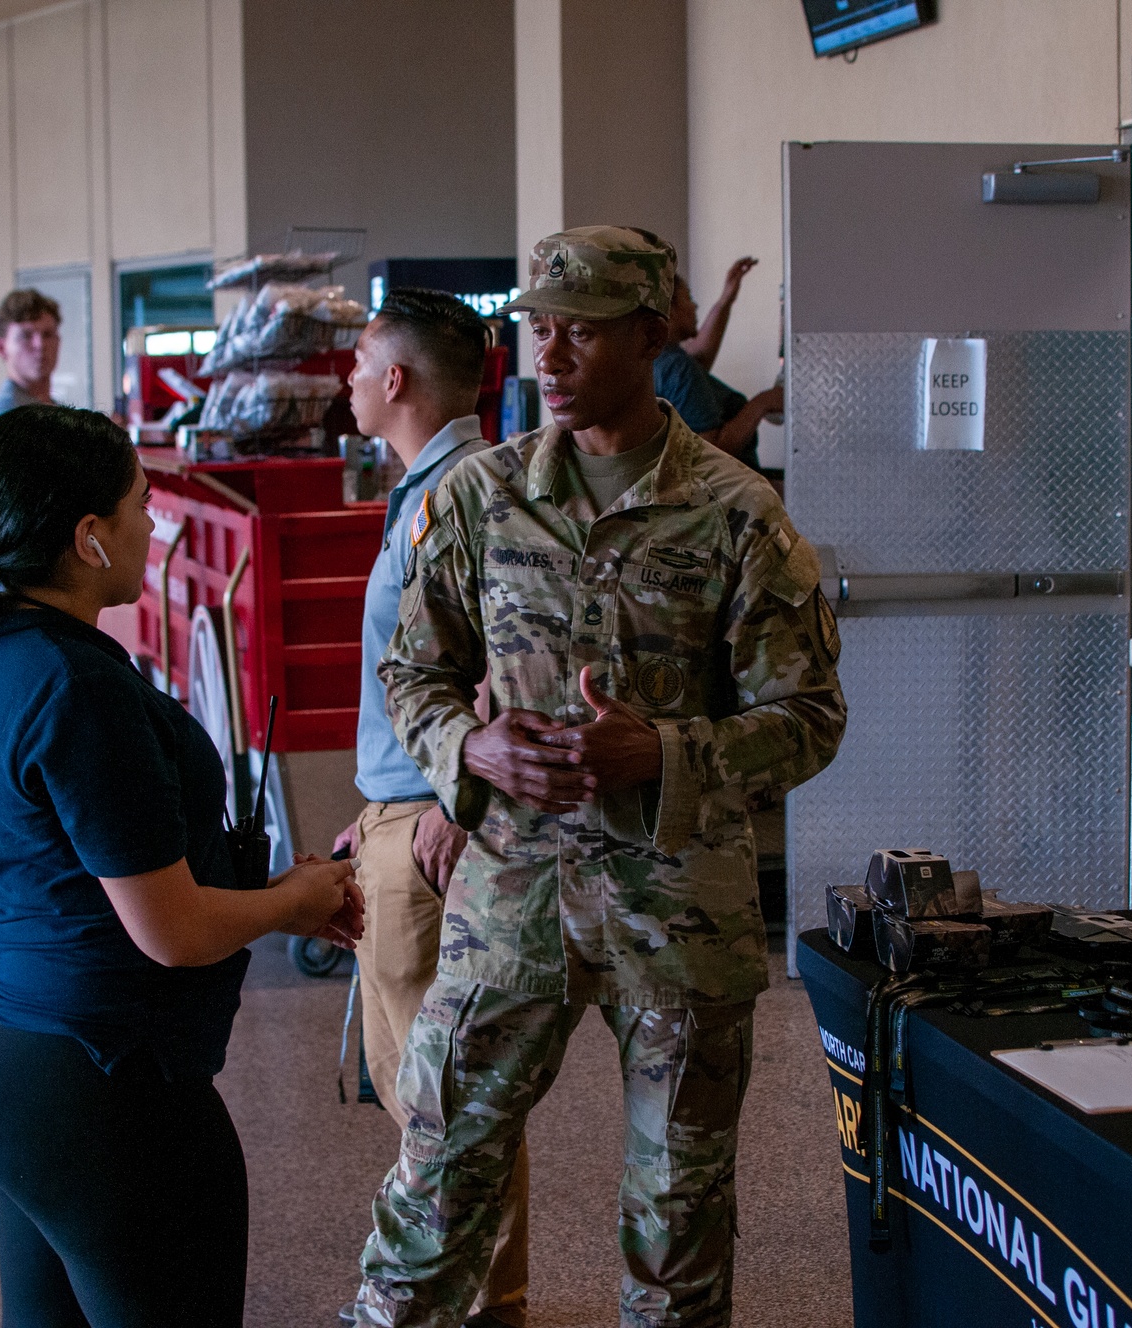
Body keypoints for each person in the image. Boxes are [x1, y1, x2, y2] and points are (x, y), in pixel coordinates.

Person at [349, 226, 847, 1327]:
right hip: (507, 899)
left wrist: (662, 752)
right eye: (537, 327)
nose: (549, 353)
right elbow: (410, 673)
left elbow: (807, 717)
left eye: (577, 329)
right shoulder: (479, 498)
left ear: (650, 333)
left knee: (678, 1213)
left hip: (676, 907)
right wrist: (466, 750)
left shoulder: (736, 515)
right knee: (435, 1178)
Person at [0, 404, 363, 1327]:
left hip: (13, 1055)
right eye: (141, 505)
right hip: (101, 1086)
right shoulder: (77, 687)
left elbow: (96, 878)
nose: (155, 524)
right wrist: (291, 903)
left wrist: (264, 891)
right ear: (88, 539)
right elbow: (173, 933)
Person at [331, 288, 531, 1328]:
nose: (348, 384)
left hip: (434, 822)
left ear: (395, 378)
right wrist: (373, 807)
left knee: (450, 1091)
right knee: (424, 1080)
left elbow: (509, 662)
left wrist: (453, 799)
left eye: (359, 365)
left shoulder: (461, 491)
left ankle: (481, 1302)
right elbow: (415, 671)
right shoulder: (428, 487)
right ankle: (472, 1291)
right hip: (399, 811)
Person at [652, 255, 782, 468]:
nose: (695, 306)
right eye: (689, 298)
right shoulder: (676, 367)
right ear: (670, 309)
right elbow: (710, 453)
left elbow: (700, 360)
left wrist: (726, 299)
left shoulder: (658, 360)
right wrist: (762, 403)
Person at [0, 288, 63, 424]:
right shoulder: (6, 415)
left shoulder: (52, 409)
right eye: (26, 336)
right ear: (1, 348)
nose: (40, 345)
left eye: (47, 334)